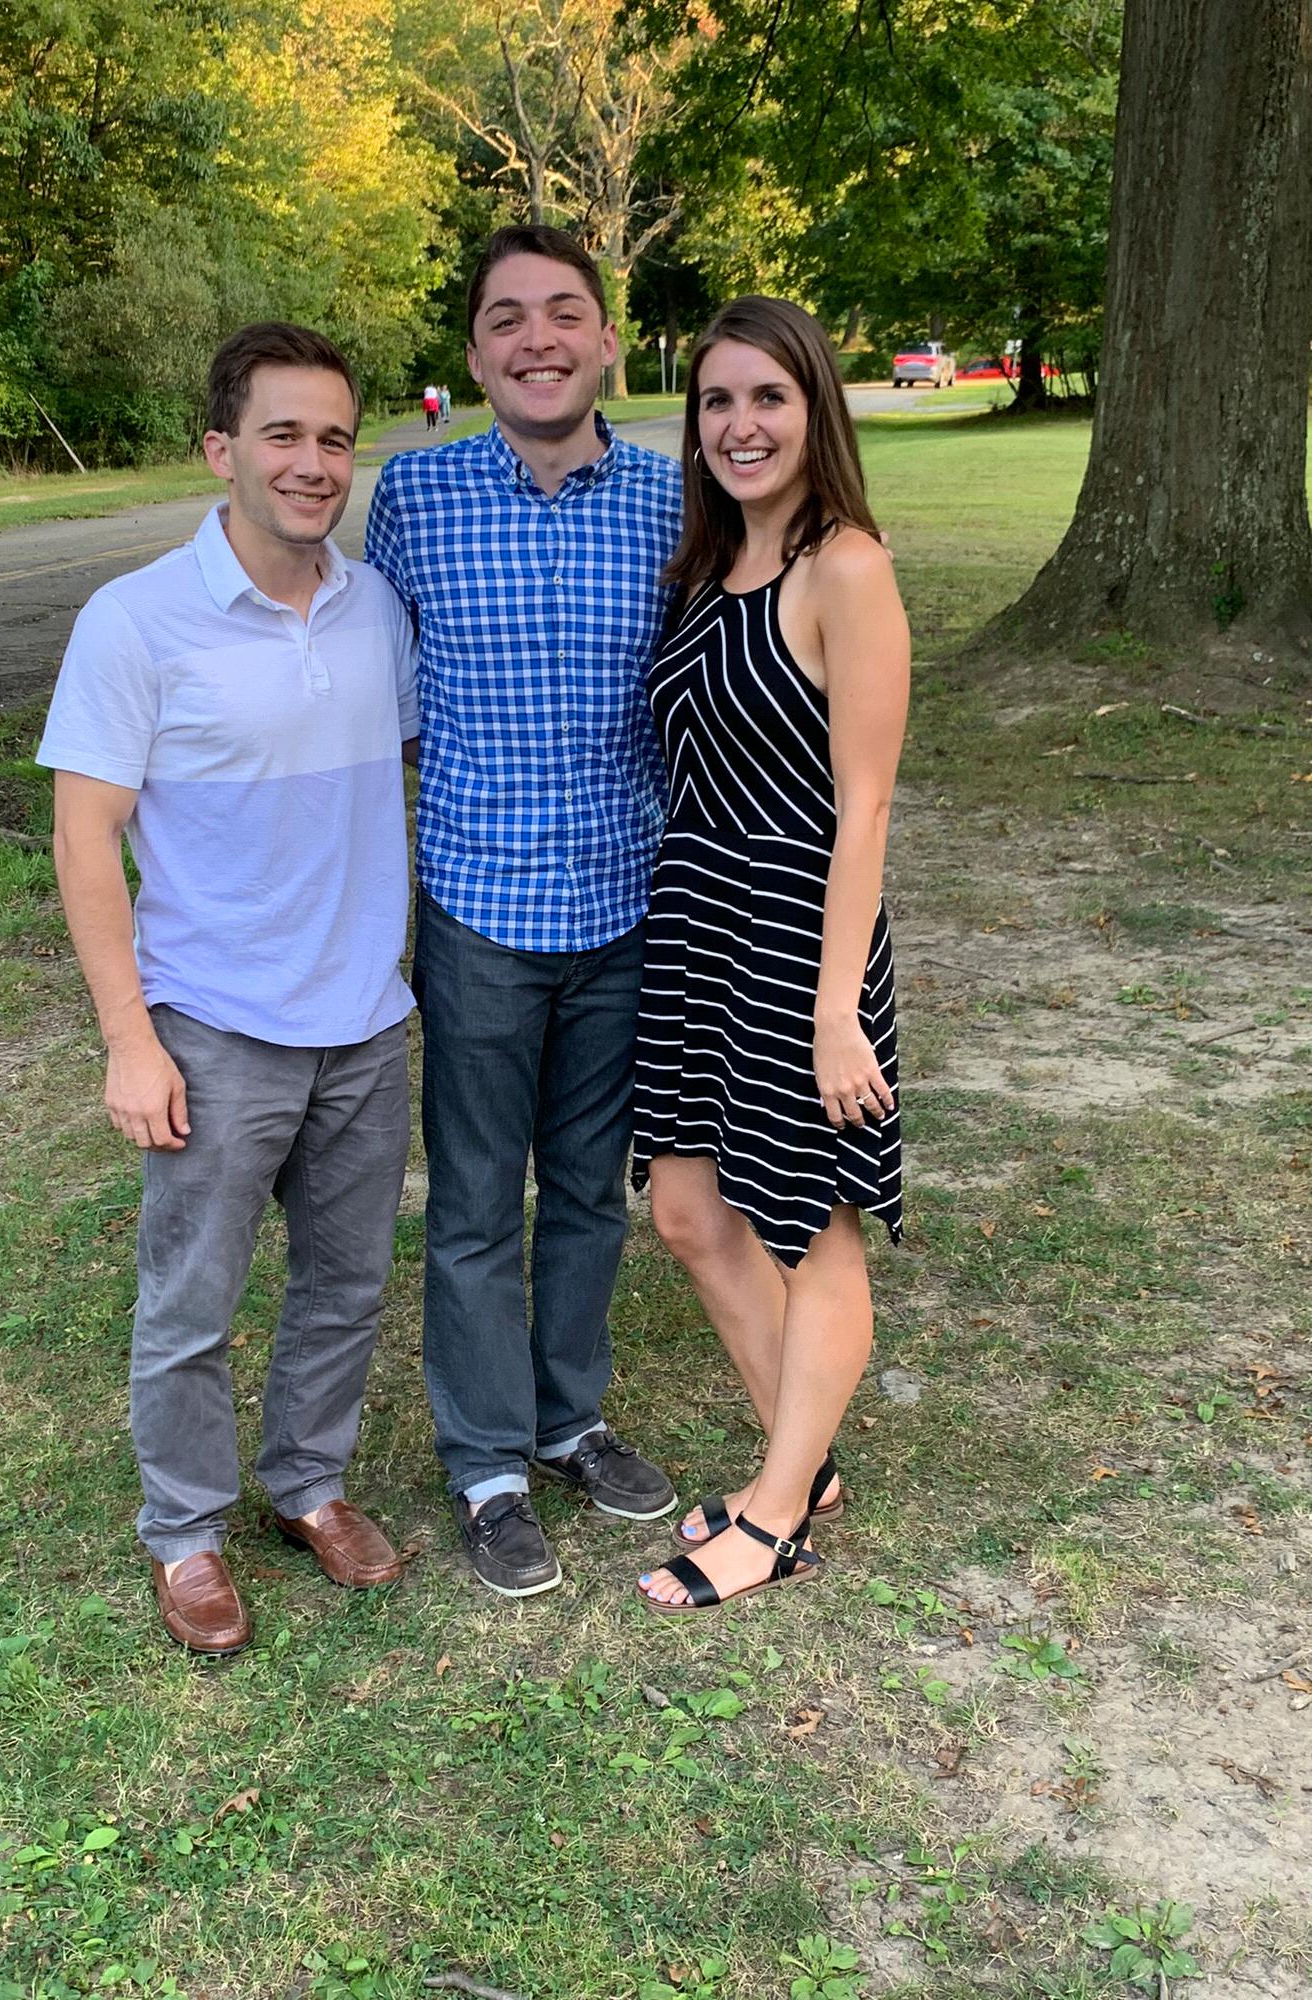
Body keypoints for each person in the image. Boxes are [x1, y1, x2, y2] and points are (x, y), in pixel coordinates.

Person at [39, 323, 420, 1659]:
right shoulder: (135, 620)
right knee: (191, 1302)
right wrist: (127, 1039)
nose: (313, 463)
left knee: (345, 1281)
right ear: (221, 450)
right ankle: (186, 1533)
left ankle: (308, 1483)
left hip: (366, 1020)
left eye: (335, 438)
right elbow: (84, 836)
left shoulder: (377, 609)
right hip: (213, 1027)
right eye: (283, 434)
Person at [365, 226, 680, 1598]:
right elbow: (378, 686)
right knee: (480, 1198)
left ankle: (569, 1418)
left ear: (607, 339)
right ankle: (488, 1463)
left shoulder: (673, 499)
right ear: (477, 354)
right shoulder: (415, 495)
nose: (537, 338)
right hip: (480, 904)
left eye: (564, 313)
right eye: (507, 318)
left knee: (591, 1192)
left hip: (625, 899)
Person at [633, 296, 909, 1614]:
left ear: (815, 411)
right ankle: (804, 1461)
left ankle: (778, 1511)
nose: (741, 425)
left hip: (799, 934)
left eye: (768, 398)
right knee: (688, 1210)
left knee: (809, 1226)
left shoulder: (843, 566)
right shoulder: (705, 566)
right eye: (718, 401)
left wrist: (838, 1006)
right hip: (698, 924)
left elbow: (867, 803)